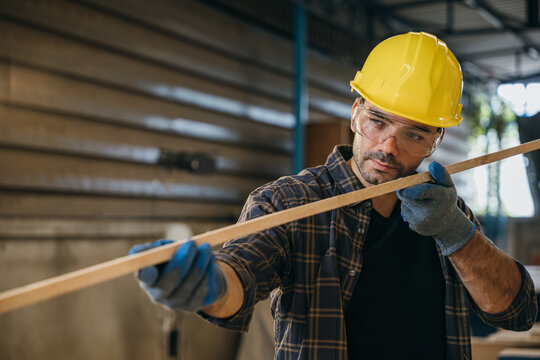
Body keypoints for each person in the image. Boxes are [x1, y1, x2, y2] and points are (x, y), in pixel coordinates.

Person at [129, 32, 537, 359]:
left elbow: (518, 312)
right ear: (356, 112)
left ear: (436, 139)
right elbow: (240, 275)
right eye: (378, 121)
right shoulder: (289, 202)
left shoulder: (447, 211)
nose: (388, 148)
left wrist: (458, 237)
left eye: (413, 134)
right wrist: (206, 286)